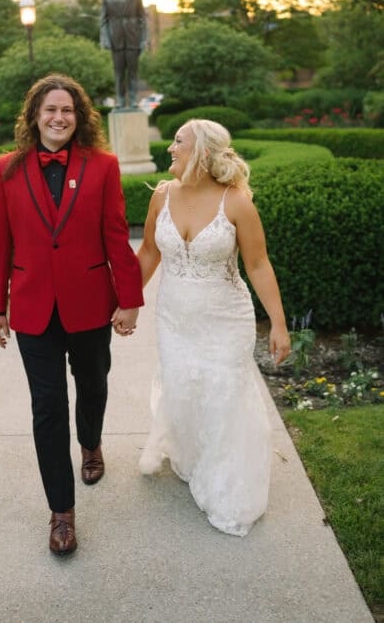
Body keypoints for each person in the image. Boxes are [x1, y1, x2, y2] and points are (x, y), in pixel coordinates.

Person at [0, 74, 144, 556]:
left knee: (93, 383)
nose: (58, 117)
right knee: (47, 407)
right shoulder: (7, 169)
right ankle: (61, 514)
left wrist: (130, 297)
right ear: (34, 116)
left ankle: (91, 443)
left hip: (91, 302)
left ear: (80, 118)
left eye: (67, 110)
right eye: (50, 109)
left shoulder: (103, 166)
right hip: (34, 309)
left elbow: (117, 234)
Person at [137, 119, 291, 537]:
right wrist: (126, 302)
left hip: (225, 319)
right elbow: (149, 252)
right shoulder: (162, 197)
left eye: (178, 142)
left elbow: (258, 264)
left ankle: (228, 487)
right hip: (173, 318)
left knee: (224, 396)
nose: (170, 148)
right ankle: (193, 456)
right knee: (184, 388)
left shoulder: (236, 202)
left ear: (202, 153)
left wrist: (277, 322)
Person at [100, 0, 147, 109]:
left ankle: (133, 100)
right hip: (116, 39)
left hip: (133, 38)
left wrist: (144, 39)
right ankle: (120, 100)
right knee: (119, 73)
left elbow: (142, 19)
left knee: (133, 72)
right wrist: (105, 39)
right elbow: (103, 20)